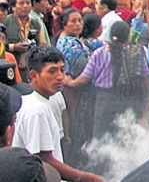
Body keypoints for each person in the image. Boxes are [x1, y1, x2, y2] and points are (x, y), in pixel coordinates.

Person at [12, 45, 104, 182]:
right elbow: (44, 160)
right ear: (34, 75)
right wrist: (86, 177)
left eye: (62, 70)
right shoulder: (38, 110)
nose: (60, 77)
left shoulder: (35, 102)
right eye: (52, 71)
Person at [64, 21, 149, 138]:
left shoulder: (99, 53)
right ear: (128, 36)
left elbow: (83, 79)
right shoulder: (137, 53)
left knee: (101, 137)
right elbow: (145, 80)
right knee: (128, 137)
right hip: (130, 99)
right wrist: (148, 99)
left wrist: (68, 81)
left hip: (104, 101)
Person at [55, 8, 98, 169]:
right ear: (64, 24)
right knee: (76, 130)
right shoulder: (67, 42)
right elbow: (83, 67)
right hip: (76, 93)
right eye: (73, 21)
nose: (78, 24)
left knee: (85, 129)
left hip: (83, 91)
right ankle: (76, 167)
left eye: (80, 20)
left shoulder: (80, 41)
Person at [6, 0, 48, 81]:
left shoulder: (36, 23)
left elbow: (43, 45)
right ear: (13, 7)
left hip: (31, 69)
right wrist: (14, 47)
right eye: (21, 3)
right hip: (12, 69)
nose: (25, 6)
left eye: (28, 3)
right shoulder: (6, 22)